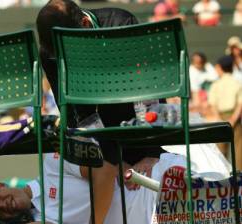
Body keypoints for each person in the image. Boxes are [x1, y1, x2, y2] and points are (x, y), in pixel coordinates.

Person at [0, 142, 231, 224]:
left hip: (160, 184)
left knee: (232, 203)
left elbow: (104, 171)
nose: (2, 205)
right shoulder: (37, 220)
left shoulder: (49, 161)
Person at [36, 0, 165, 199]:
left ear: (86, 24)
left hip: (144, 128)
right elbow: (70, 111)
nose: (66, 57)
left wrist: (152, 152)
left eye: (69, 50)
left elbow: (149, 90)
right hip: (103, 139)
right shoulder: (49, 54)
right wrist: (110, 161)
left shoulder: (121, 23)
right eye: (59, 54)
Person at [207, 55, 242, 170]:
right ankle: (239, 178)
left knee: (220, 152)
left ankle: (222, 178)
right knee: (239, 150)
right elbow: (240, 103)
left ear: (219, 67)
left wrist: (219, 119)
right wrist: (233, 119)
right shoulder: (237, 83)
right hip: (235, 118)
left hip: (221, 118)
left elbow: (212, 105)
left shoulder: (216, 85)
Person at [188, 52, 218, 117]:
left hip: (206, 99)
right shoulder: (191, 71)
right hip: (196, 100)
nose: (197, 64)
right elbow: (194, 91)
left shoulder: (205, 69)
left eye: (199, 62)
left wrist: (207, 64)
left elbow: (215, 77)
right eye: (195, 61)